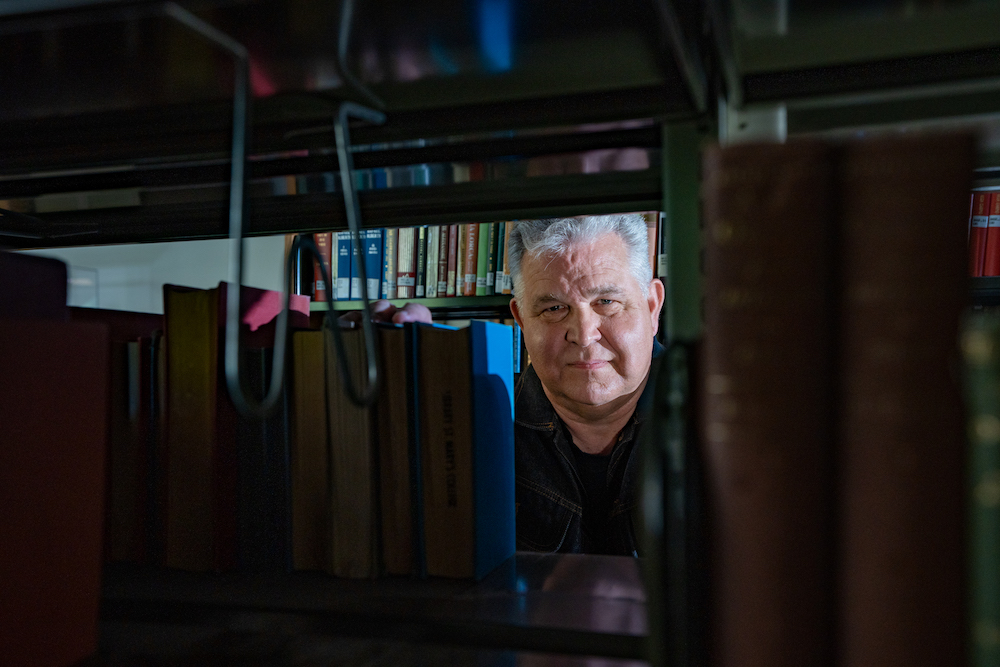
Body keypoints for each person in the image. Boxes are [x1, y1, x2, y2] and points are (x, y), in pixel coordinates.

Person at [344, 214, 664, 556]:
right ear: (522, 320)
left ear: (651, 306)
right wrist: (382, 400)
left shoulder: (718, 421)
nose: (584, 335)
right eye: (554, 308)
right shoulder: (467, 428)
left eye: (606, 302)